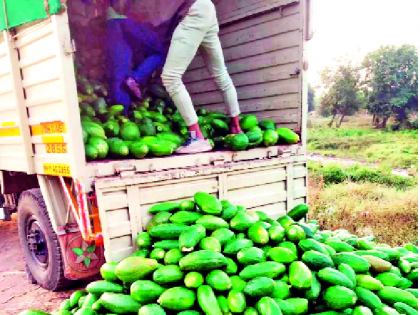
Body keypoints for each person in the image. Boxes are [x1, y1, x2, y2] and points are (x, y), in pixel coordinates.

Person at [128, 0, 243, 154]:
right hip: (206, 7)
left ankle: (196, 137)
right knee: (221, 74)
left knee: (170, 77)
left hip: (192, 13)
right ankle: (236, 128)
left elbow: (159, 17)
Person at [84, 0, 167, 116]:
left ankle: (123, 116)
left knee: (119, 74)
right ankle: (135, 78)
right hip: (131, 21)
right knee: (160, 53)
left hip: (112, 22)